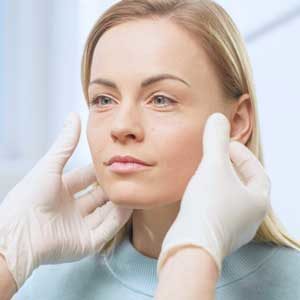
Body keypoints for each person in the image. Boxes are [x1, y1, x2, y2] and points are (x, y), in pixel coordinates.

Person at [1, 0, 300, 299]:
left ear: (236, 122)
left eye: (160, 99)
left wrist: (192, 257)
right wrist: (6, 259)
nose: (121, 126)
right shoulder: (38, 283)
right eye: (104, 99)